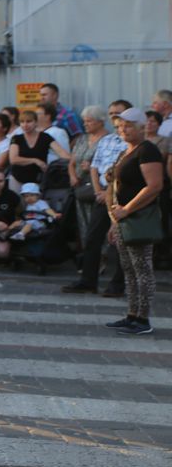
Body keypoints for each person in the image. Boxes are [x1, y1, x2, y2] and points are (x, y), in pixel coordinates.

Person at [63, 100, 134, 295]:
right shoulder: (107, 140)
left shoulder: (132, 142)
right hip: (102, 193)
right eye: (111, 113)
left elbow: (125, 172)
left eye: (118, 112)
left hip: (122, 195)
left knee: (120, 241)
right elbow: (95, 167)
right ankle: (88, 281)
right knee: (92, 237)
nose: (114, 116)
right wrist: (98, 191)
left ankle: (117, 285)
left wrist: (109, 193)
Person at [104, 107, 164, 335]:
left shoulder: (147, 150)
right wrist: (114, 221)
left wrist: (127, 210)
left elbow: (154, 186)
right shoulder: (126, 151)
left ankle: (143, 319)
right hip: (122, 219)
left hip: (138, 218)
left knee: (142, 269)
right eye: (120, 126)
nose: (123, 130)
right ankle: (131, 315)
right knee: (128, 269)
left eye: (128, 126)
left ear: (141, 127)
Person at [69, 106, 110, 250]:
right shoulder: (81, 139)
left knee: (98, 223)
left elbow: (112, 165)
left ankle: (102, 254)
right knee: (83, 223)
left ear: (101, 122)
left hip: (98, 188)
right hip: (80, 187)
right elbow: (72, 162)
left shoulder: (108, 140)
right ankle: (88, 253)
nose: (85, 124)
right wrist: (72, 176)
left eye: (89, 121)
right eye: (84, 121)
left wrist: (94, 168)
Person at [8, 110, 70, 193]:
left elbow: (61, 152)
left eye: (29, 121)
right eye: (22, 122)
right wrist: (35, 160)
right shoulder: (16, 138)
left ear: (36, 122)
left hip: (37, 180)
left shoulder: (45, 137)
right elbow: (13, 159)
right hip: (17, 179)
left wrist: (74, 160)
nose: (25, 125)